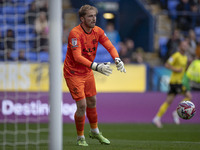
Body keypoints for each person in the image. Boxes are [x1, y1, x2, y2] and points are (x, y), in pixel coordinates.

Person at [63, 5, 126, 146]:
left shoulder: (97, 31)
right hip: (73, 73)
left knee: (92, 102)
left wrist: (117, 59)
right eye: (90, 16)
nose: (94, 18)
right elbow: (77, 57)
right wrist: (97, 66)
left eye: (95, 16)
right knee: (82, 105)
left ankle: (95, 132)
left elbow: (110, 46)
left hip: (87, 72)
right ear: (82, 18)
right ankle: (80, 137)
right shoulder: (75, 33)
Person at [152, 39, 192, 128]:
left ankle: (157, 118)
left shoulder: (185, 57)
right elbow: (166, 64)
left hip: (178, 82)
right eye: (183, 45)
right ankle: (177, 113)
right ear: (180, 46)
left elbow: (184, 70)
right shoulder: (176, 55)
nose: (185, 47)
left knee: (168, 102)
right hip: (175, 82)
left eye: (186, 45)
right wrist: (175, 69)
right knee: (189, 96)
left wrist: (188, 64)